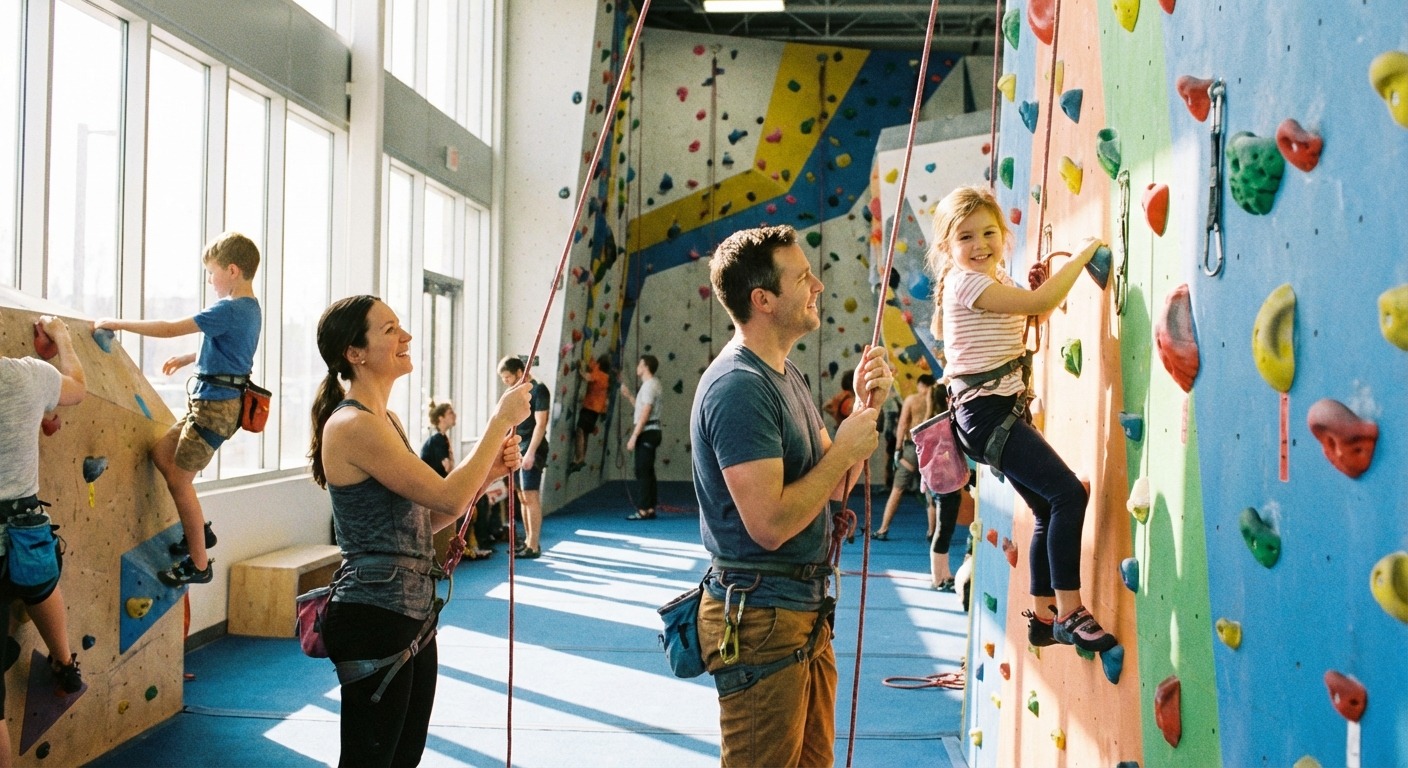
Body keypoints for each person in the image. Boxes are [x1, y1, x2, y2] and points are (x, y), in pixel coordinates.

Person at [692, 224, 893, 767]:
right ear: (763, 300)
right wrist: (845, 445)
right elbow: (771, 523)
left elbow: (834, 484)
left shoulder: (787, 377)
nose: (819, 285)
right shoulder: (739, 387)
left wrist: (862, 412)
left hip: (798, 610)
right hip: (760, 615)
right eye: (802, 277)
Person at [309, 295, 530, 767]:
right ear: (355, 352)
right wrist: (499, 421)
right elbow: (448, 497)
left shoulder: (386, 421)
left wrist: (487, 475)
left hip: (407, 609)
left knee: (402, 757)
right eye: (390, 330)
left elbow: (424, 521)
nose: (405, 336)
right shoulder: (351, 425)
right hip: (373, 612)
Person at [926, 184, 1114, 652]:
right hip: (987, 415)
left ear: (1003, 236)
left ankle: (1045, 617)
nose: (980, 244)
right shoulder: (967, 282)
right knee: (1067, 494)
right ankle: (1071, 612)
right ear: (948, 248)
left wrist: (1034, 288)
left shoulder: (993, 281)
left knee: (1048, 507)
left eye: (988, 233)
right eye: (966, 237)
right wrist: (1084, 252)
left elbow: (1036, 308)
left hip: (992, 413)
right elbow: (1037, 304)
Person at [96, 232, 262, 586]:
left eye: (212, 272)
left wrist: (119, 324)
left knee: (179, 479)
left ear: (232, 270)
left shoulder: (229, 309)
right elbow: (234, 354)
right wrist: (191, 358)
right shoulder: (250, 309)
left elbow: (172, 328)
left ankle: (200, 564)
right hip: (213, 402)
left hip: (214, 409)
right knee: (161, 452)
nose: (209, 279)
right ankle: (198, 531)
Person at [0, 316, 88, 761]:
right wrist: (63, 340)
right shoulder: (26, 375)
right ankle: (64, 660)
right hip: (26, 533)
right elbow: (77, 386)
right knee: (41, 582)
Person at [419, 402, 491, 560]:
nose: (455, 415)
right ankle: (472, 545)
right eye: (450, 413)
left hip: (439, 485)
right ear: (441, 418)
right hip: (434, 489)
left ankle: (476, 543)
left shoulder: (443, 439)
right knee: (473, 499)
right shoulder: (437, 440)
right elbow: (447, 469)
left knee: (482, 498)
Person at [873, 373, 940, 541]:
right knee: (930, 493)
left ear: (920, 385)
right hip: (931, 450)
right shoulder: (938, 401)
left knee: (897, 489)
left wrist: (897, 450)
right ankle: (932, 533)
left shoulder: (911, 400)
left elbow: (902, 424)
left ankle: (883, 529)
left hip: (911, 449)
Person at [497, 355, 549, 559]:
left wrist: (530, 453)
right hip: (519, 447)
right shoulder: (516, 393)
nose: (506, 382)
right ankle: (528, 541)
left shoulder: (539, 389)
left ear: (520, 373)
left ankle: (534, 545)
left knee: (531, 495)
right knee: (521, 497)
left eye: (508, 377)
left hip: (532, 450)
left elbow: (541, 424)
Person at [618, 354, 661, 520]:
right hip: (651, 431)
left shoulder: (649, 386)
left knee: (642, 471)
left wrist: (634, 436)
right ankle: (649, 507)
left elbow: (646, 411)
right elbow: (641, 408)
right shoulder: (651, 385)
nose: (637, 367)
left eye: (639, 364)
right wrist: (629, 396)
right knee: (647, 471)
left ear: (645, 367)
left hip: (647, 432)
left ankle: (643, 509)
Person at [569, 354, 611, 474]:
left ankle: (579, 458)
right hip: (596, 410)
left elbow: (587, 377)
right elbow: (592, 366)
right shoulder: (606, 377)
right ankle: (582, 458)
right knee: (585, 432)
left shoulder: (599, 375)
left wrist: (579, 369)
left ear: (600, 364)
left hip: (590, 407)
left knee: (580, 430)